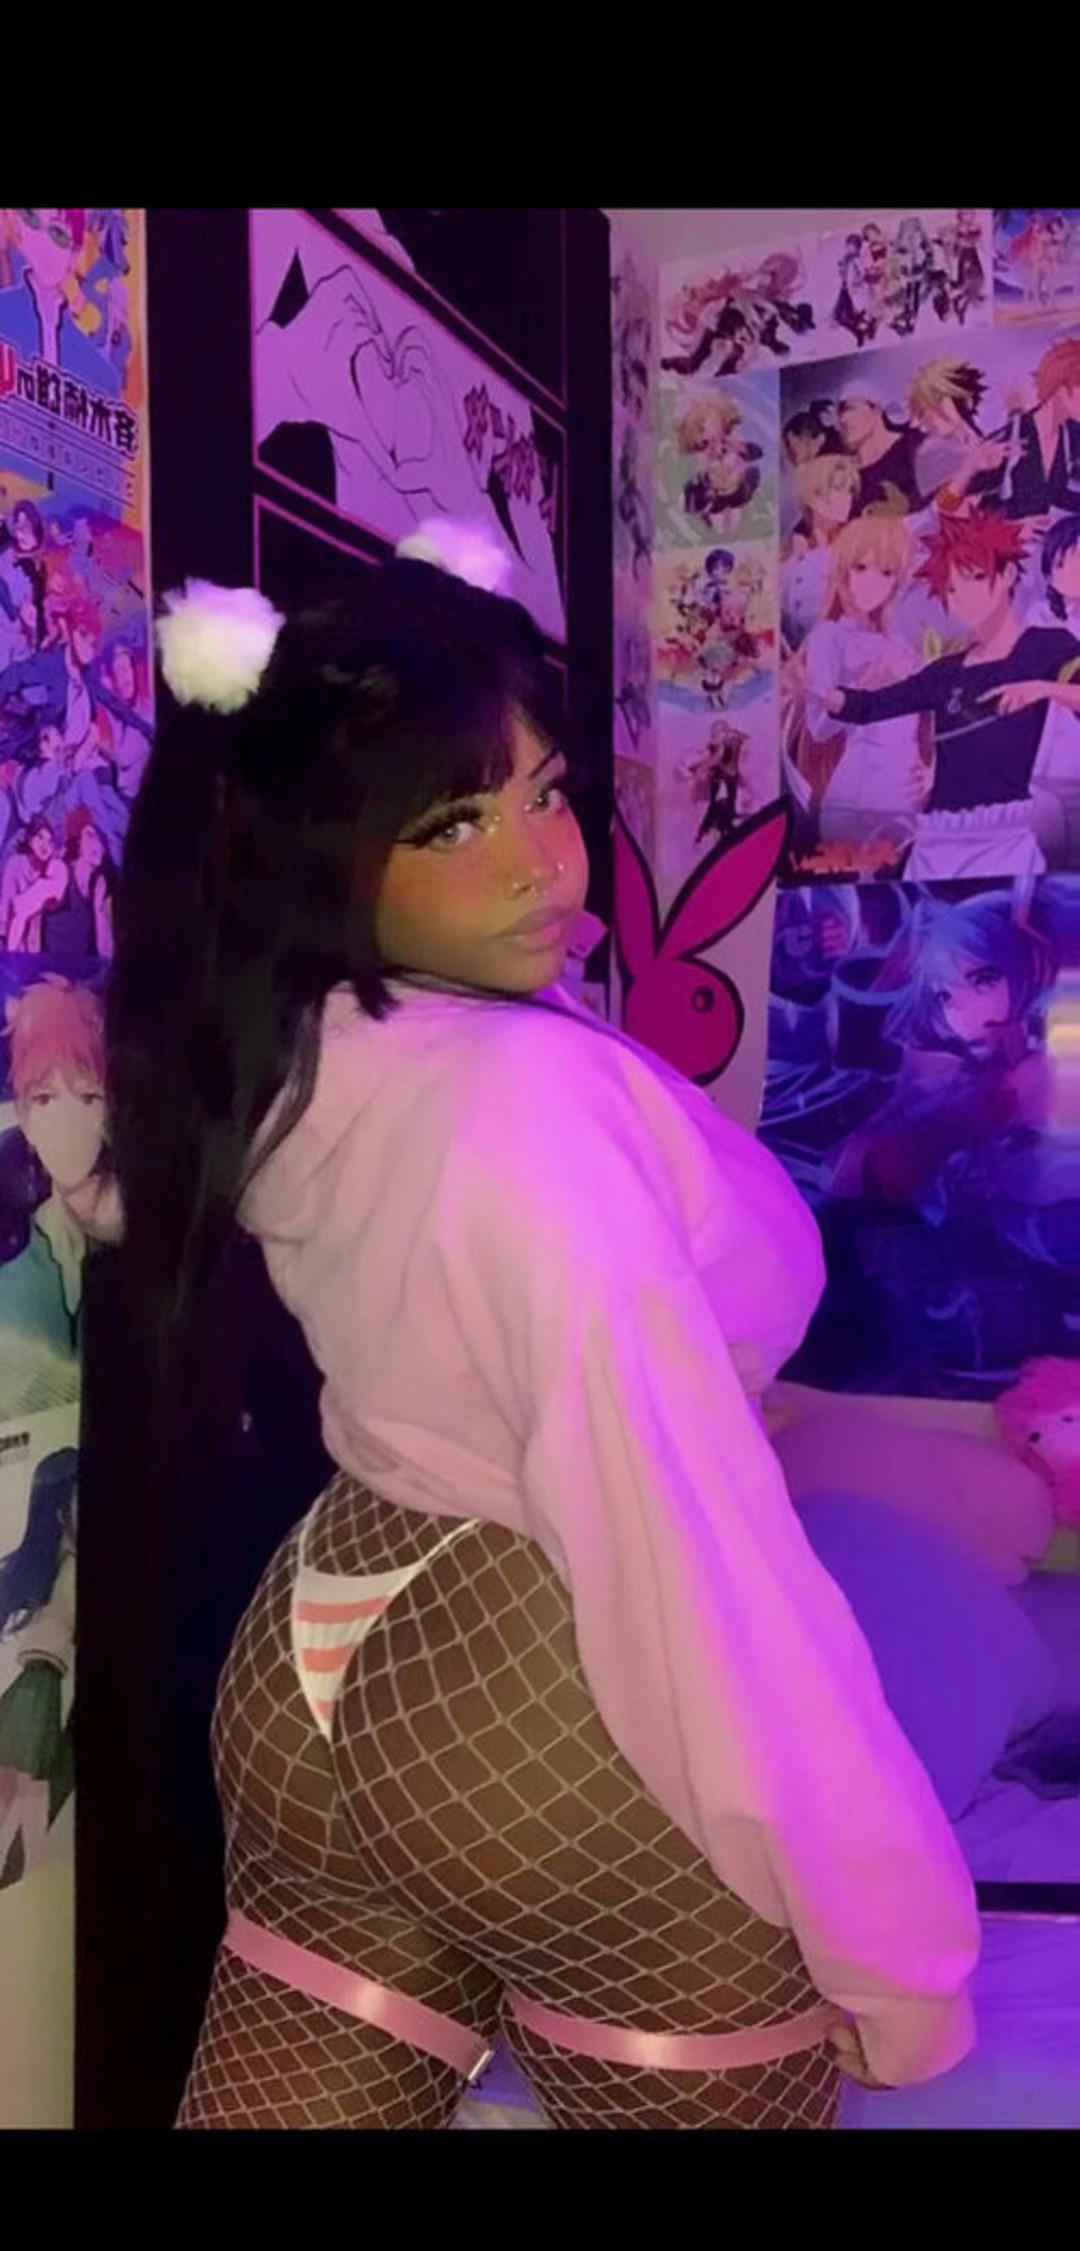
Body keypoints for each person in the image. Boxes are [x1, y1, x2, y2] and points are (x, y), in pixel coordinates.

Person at [99, 544, 977, 2131]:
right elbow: (678, 1536)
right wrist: (892, 1939)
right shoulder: (529, 1099)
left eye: (546, 792)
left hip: (315, 1649)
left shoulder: (303, 1036)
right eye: (453, 821)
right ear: (318, 855)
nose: (542, 863)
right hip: (526, 1677)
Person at [822, 513, 1080, 879]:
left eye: (974, 578)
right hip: (937, 845)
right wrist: (821, 692)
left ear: (1007, 575)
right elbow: (871, 705)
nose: (964, 600)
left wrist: (1041, 688)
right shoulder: (946, 671)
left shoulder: (1045, 647)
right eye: (952, 590)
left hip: (1006, 842)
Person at [792, 514, 928, 861]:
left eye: (886, 573)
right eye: (861, 568)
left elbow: (924, 721)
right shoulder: (829, 637)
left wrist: (931, 772)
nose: (872, 583)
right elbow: (819, 729)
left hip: (907, 794)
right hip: (859, 793)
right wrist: (866, 685)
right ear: (843, 572)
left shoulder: (900, 644)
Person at [0, 977, 106, 1423]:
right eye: (44, 1098)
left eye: (88, 1096)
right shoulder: (10, 1273)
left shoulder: (145, 1250)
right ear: (24, 1116)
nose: (67, 1121)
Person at [0, 1448, 77, 1891]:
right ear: (61, 1509)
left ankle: (13, 1875)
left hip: (46, 1692)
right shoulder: (68, 1564)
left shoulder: (61, 1562)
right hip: (38, 1691)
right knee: (25, 1797)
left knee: (31, 1800)